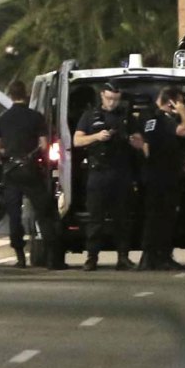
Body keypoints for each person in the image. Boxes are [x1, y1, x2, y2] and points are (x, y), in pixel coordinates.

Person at [0, 80, 67, 270]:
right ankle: (53, 259)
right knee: (45, 212)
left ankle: (20, 258)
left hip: (11, 171)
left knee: (14, 215)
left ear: (10, 95)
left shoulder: (3, 118)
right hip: (30, 170)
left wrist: (8, 155)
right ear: (25, 95)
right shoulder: (36, 117)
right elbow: (43, 145)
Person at [73, 82, 138, 271]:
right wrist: (96, 137)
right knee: (96, 219)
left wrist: (132, 140)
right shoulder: (90, 116)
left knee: (122, 219)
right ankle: (92, 258)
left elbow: (140, 142)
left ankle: (123, 257)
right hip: (98, 173)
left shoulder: (127, 117)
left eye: (116, 99)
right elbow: (77, 140)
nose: (112, 103)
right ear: (102, 95)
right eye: (109, 98)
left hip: (121, 173)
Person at [138, 86, 185, 271]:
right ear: (171, 102)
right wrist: (184, 113)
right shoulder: (165, 119)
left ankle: (149, 257)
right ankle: (161, 256)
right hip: (166, 175)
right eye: (179, 102)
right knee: (166, 218)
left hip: (151, 174)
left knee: (152, 217)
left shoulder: (146, 116)